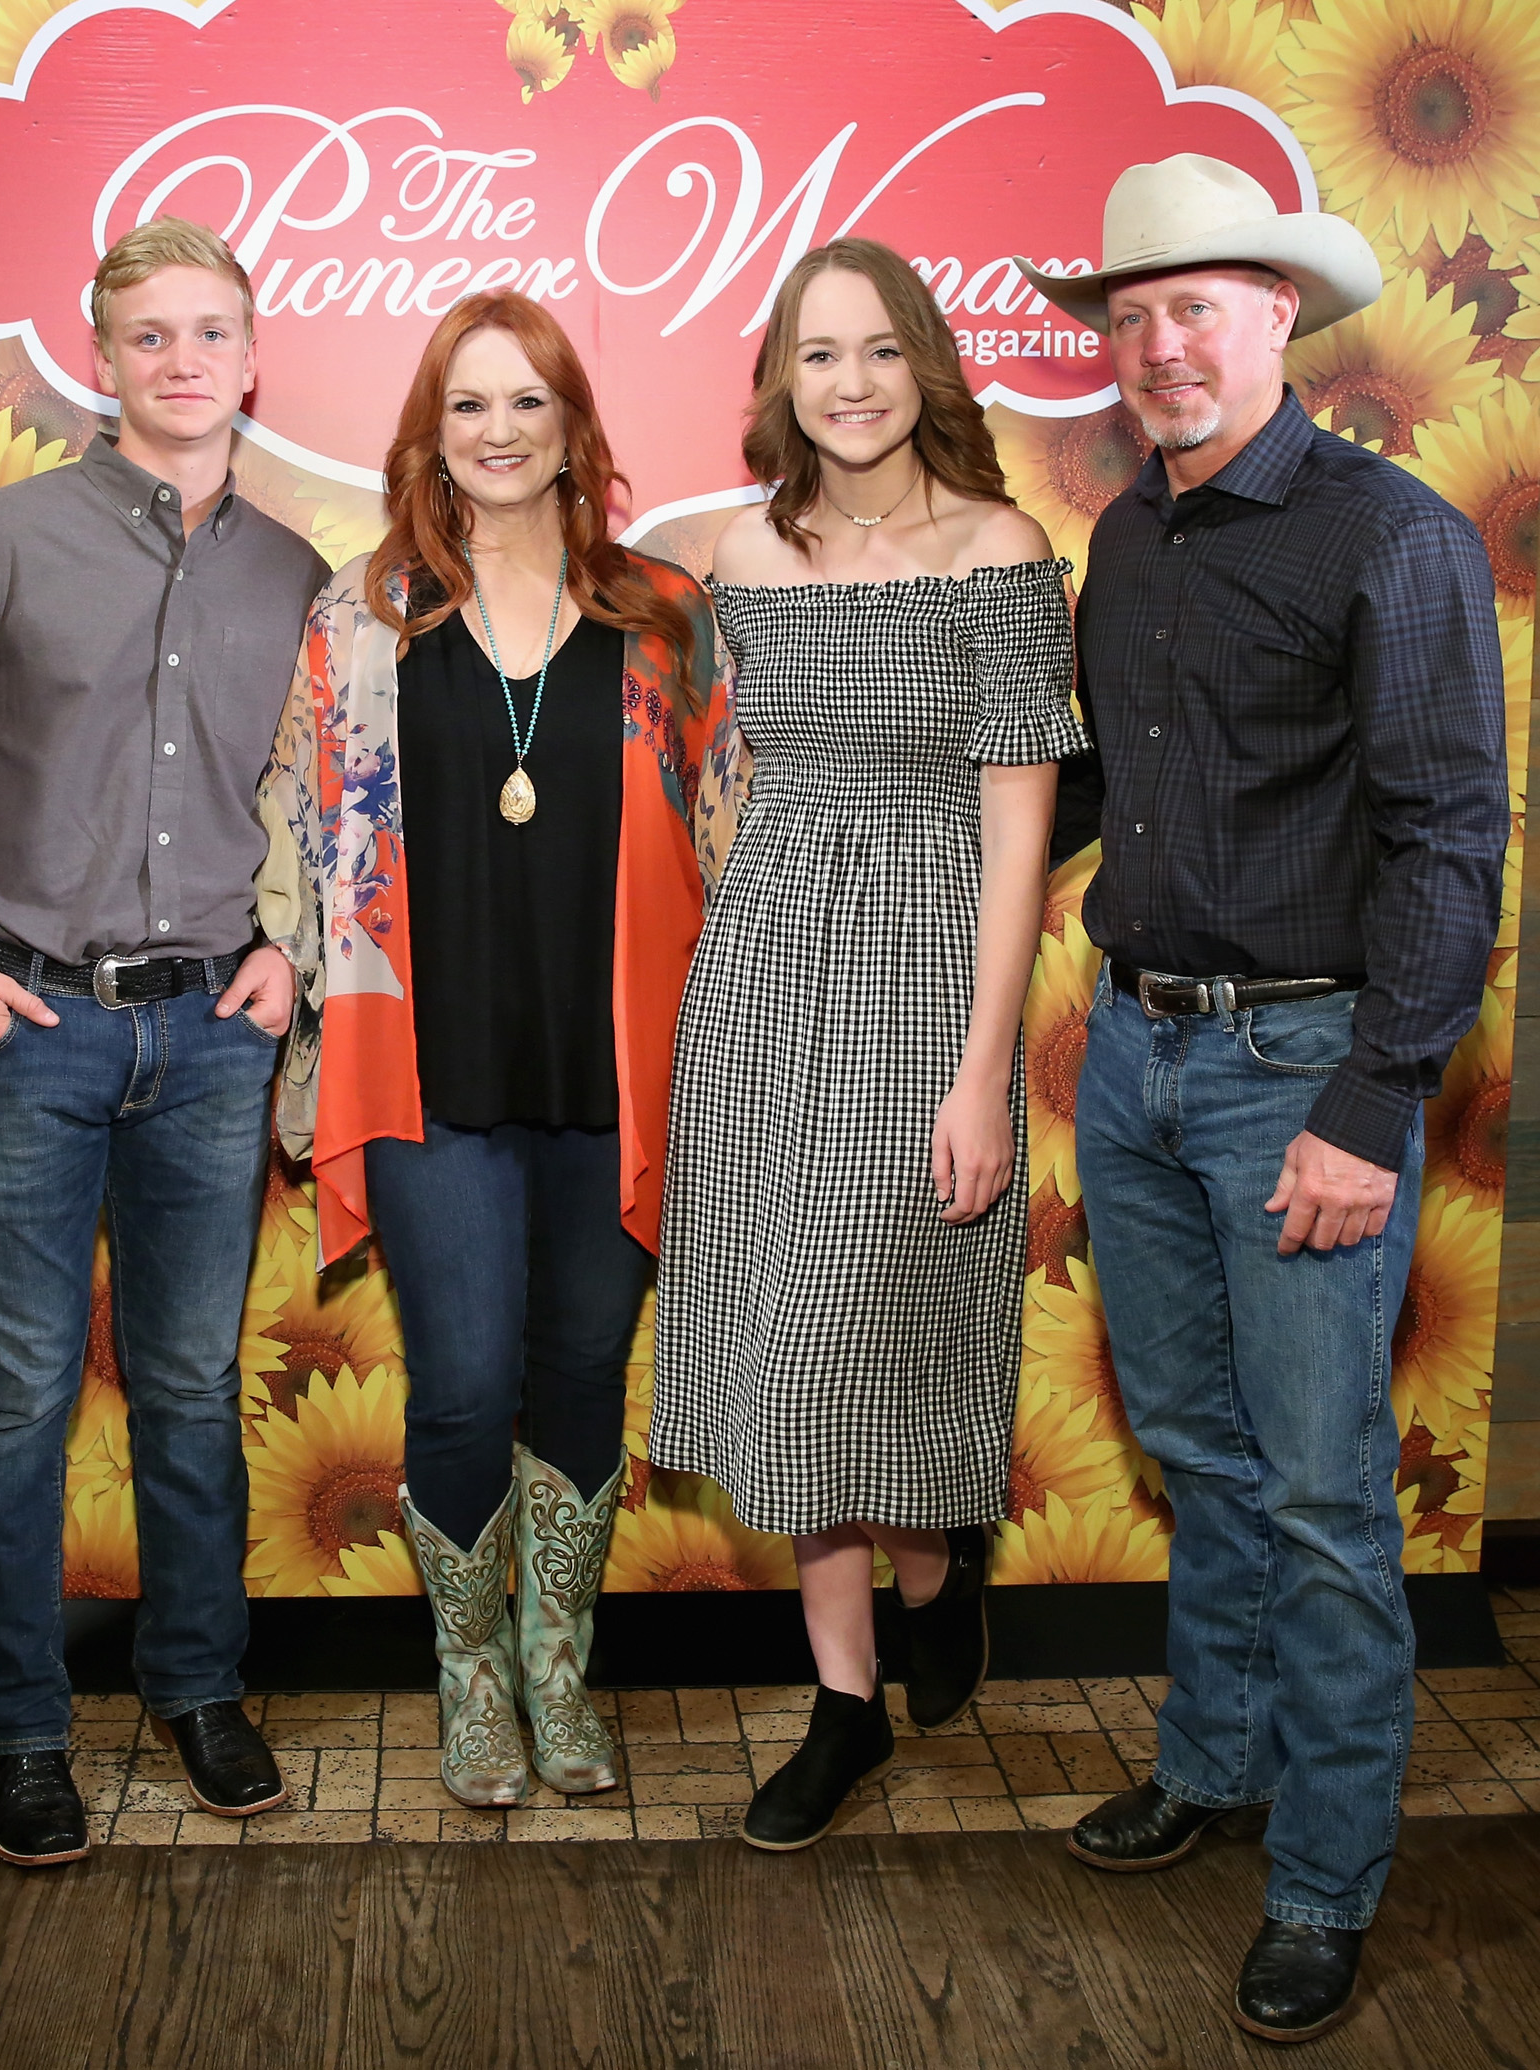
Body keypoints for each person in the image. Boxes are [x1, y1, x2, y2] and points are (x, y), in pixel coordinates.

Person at [1019, 155, 1505, 2043]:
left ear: (1279, 316)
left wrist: (1372, 1110)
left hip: (1305, 1070)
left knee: (1317, 1491)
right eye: (1133, 315)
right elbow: (1103, 784)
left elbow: (1450, 841)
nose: (1160, 345)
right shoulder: (1131, 540)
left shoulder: (1391, 537)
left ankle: (1324, 1880)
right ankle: (1213, 1764)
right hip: (1136, 1054)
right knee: (1198, 1449)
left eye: (1197, 309)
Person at [0, 217, 329, 1866]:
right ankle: (18, 1727)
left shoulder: (295, 579)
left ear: (252, 357)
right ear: (99, 353)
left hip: (212, 1036)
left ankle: (199, 1685)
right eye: (151, 334)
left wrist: (289, 954)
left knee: (192, 1384)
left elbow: (322, 802)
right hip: (21, 1029)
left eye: (212, 331)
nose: (183, 360)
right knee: (20, 1396)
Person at [257, 294, 729, 1809]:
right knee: (463, 1383)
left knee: (583, 1369)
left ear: (574, 426)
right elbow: (300, 833)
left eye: (530, 400)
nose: (501, 429)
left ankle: (557, 1668)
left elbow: (732, 839)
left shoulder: (664, 614)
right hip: (426, 1072)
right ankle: (471, 1685)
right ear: (431, 433)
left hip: (618, 1071)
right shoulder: (361, 620)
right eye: (470, 403)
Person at [651, 239, 1088, 1850]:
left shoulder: (1000, 549)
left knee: (863, 1319)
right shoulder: (734, 552)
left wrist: (982, 1070)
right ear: (782, 378)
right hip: (764, 974)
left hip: (927, 973)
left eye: (880, 349)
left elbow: (1020, 831)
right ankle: (846, 1702)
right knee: (782, 1334)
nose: (850, 383)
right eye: (819, 353)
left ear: (926, 366)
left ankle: (934, 1561)